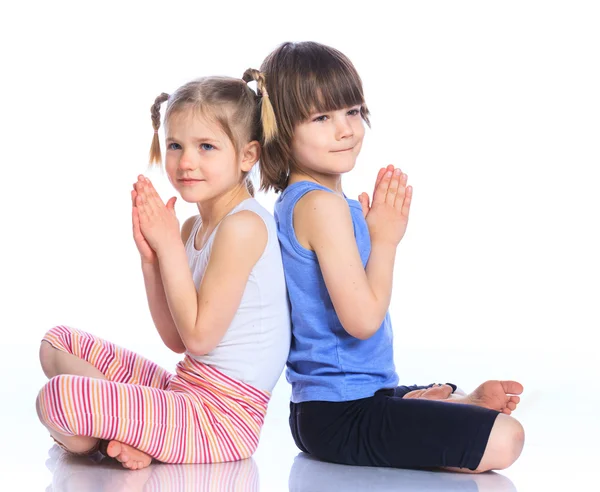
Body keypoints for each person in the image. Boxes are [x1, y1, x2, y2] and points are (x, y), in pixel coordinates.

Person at [251, 41, 524, 473]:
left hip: (337, 404)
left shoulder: (305, 202)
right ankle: (450, 415)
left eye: (353, 111)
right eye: (322, 118)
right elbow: (361, 321)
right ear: (281, 129)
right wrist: (385, 241)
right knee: (508, 439)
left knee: (429, 400)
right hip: (340, 415)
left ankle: (449, 405)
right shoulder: (322, 207)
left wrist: (370, 229)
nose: (345, 129)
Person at [36, 74, 291, 470]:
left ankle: (116, 434)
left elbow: (200, 337)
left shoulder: (245, 227)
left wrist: (169, 245)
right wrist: (152, 260)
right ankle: (129, 432)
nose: (186, 161)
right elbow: (176, 339)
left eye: (206, 146)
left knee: (55, 399)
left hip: (221, 421)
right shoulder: (193, 228)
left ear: (247, 155)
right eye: (176, 145)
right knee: (57, 343)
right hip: (184, 391)